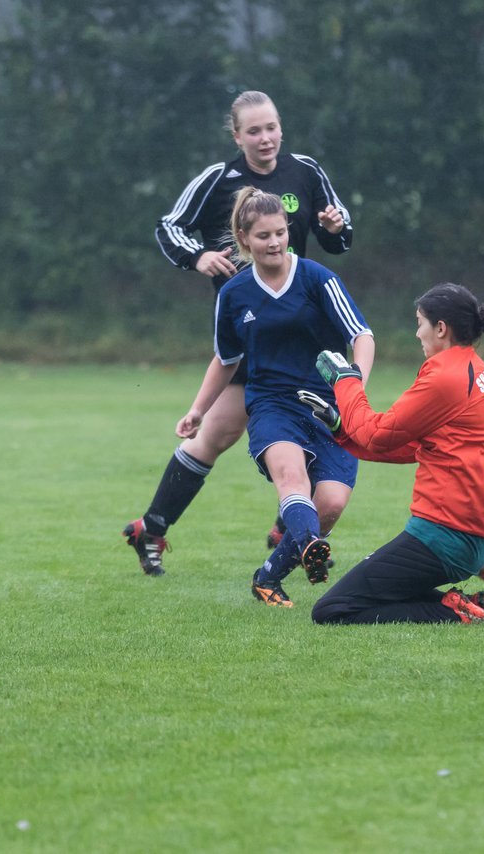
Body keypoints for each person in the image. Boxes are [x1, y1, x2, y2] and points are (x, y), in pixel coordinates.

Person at [124, 90, 354, 575]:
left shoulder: (306, 171)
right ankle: (152, 528)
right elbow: (170, 226)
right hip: (249, 339)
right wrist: (198, 256)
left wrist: (335, 226)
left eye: (271, 127)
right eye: (253, 130)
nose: (265, 137)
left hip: (304, 340)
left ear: (280, 128)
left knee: (314, 435)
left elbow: (339, 237)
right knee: (214, 435)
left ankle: (289, 527)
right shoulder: (218, 179)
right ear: (237, 136)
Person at [302, 283, 484, 624]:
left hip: (445, 534)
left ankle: (458, 612)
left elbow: (378, 434)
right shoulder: (476, 370)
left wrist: (346, 381)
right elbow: (414, 448)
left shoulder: (445, 375)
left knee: (332, 610)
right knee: (380, 591)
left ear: (441, 328)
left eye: (420, 323)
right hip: (470, 533)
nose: (418, 333)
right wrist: (342, 429)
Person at [176, 187, 374, 606]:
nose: (275, 242)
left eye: (281, 232)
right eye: (264, 235)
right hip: (272, 404)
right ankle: (309, 546)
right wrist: (198, 410)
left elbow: (362, 335)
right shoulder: (234, 293)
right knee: (291, 478)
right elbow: (226, 359)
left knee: (331, 504)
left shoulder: (318, 279)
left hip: (331, 404)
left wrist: (355, 386)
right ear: (245, 238)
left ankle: (268, 575)